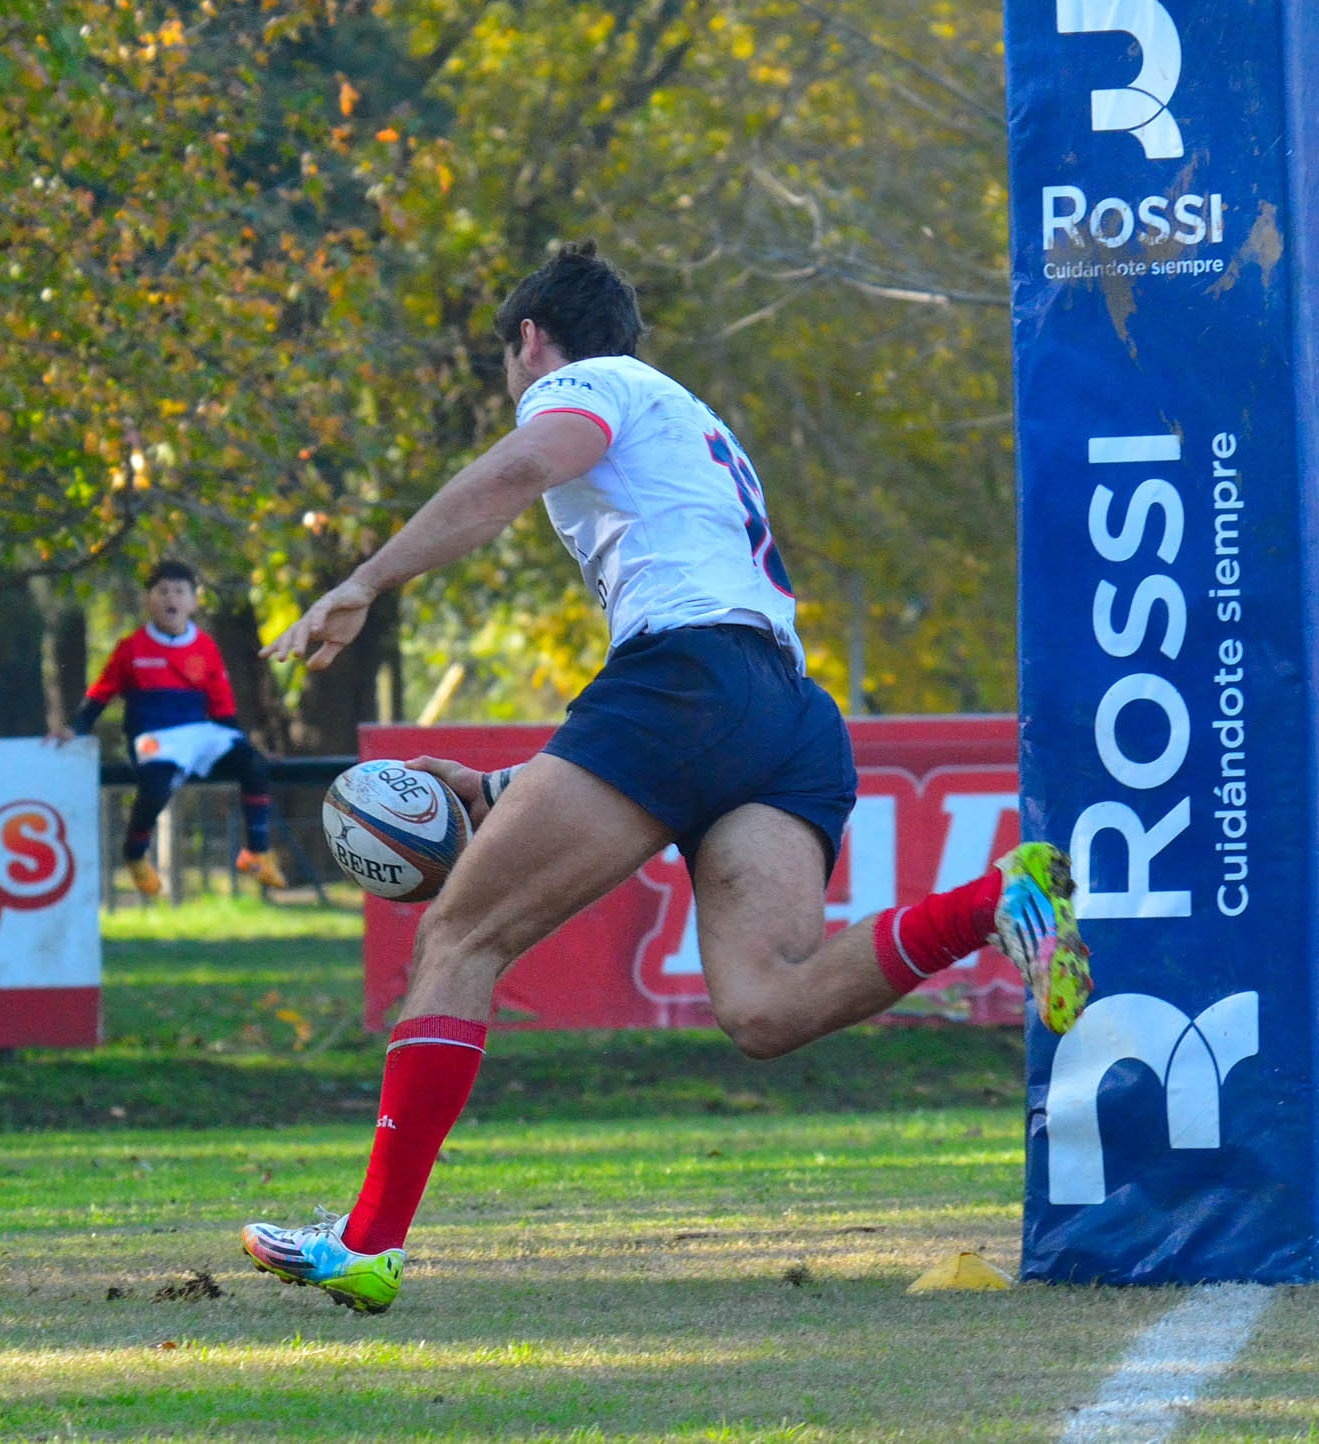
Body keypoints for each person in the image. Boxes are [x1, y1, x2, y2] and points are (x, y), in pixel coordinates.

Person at [240, 242, 1092, 1314]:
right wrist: (502, 789)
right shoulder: (693, 420)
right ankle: (999, 895)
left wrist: (364, 580)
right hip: (782, 712)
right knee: (765, 1008)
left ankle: (368, 1243)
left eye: (512, 364)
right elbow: (666, 734)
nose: (516, 390)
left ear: (531, 341)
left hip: (689, 687)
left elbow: (518, 480)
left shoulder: (586, 385)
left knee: (458, 937)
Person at [55, 559, 287, 895]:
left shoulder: (206, 647)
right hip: (153, 736)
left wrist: (248, 747)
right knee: (157, 785)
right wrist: (76, 728)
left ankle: (256, 852)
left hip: (198, 732)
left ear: (193, 601)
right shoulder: (131, 648)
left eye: (179, 591)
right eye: (162, 591)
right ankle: (134, 855)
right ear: (149, 600)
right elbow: (101, 693)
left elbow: (223, 708)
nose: (170, 598)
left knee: (253, 765)